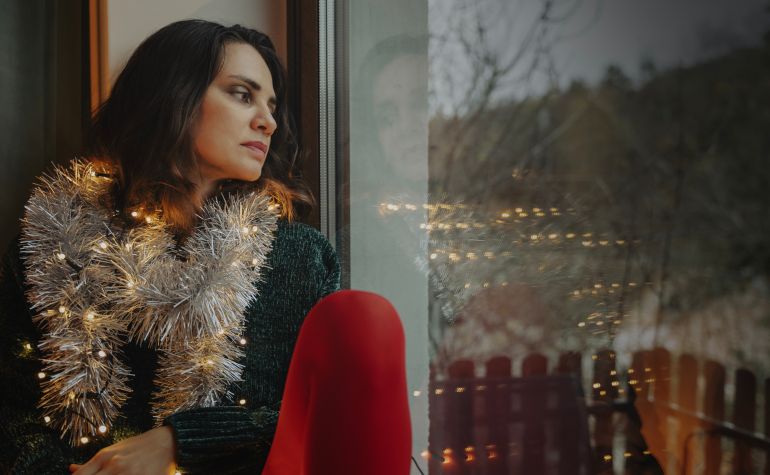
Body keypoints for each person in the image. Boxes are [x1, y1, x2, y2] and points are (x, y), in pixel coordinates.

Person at [0, 19, 411, 475]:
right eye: (242, 94)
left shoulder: (296, 257)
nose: (268, 121)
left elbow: (317, 418)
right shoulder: (56, 249)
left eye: (271, 105)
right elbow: (16, 424)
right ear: (172, 95)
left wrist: (179, 440)